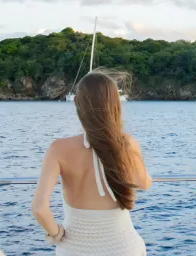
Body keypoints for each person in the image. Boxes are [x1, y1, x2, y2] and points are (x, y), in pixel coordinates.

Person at [31, 71, 152, 256]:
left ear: (76, 103)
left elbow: (39, 209)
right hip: (125, 249)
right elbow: (143, 184)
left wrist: (55, 234)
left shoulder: (58, 149)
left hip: (75, 249)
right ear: (115, 105)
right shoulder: (127, 144)